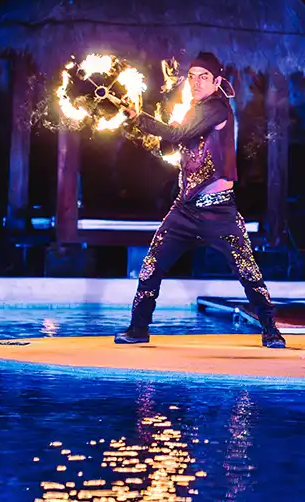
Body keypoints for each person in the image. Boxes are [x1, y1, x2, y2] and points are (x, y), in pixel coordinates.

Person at [115, 52, 284, 348]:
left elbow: (179, 134)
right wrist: (141, 125)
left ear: (217, 81)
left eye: (203, 76)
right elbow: (169, 144)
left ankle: (271, 330)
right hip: (184, 209)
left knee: (248, 270)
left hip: (219, 210)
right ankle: (138, 329)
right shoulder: (194, 110)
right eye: (191, 76)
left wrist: (139, 118)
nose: (195, 81)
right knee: (151, 267)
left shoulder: (217, 109)